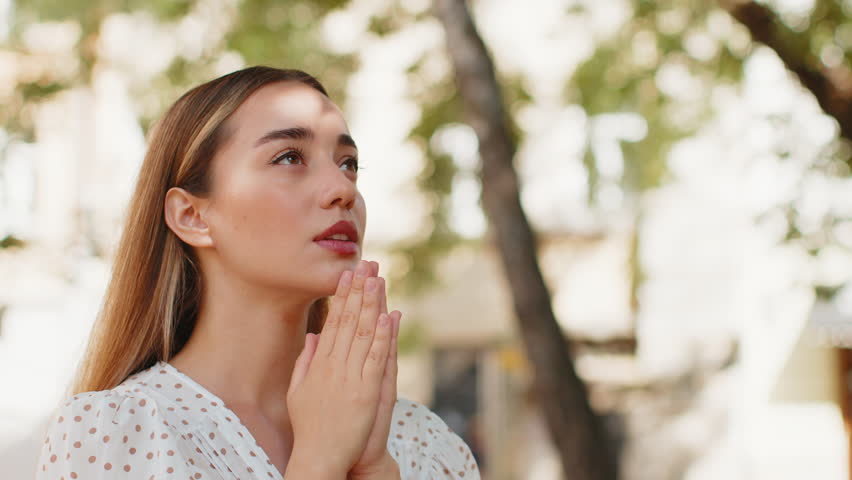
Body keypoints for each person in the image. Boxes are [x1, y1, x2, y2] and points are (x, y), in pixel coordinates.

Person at [35, 66, 480, 480]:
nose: (343, 189)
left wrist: (375, 468)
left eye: (348, 163)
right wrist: (319, 461)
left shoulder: (427, 444)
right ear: (192, 215)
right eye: (289, 157)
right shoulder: (114, 435)